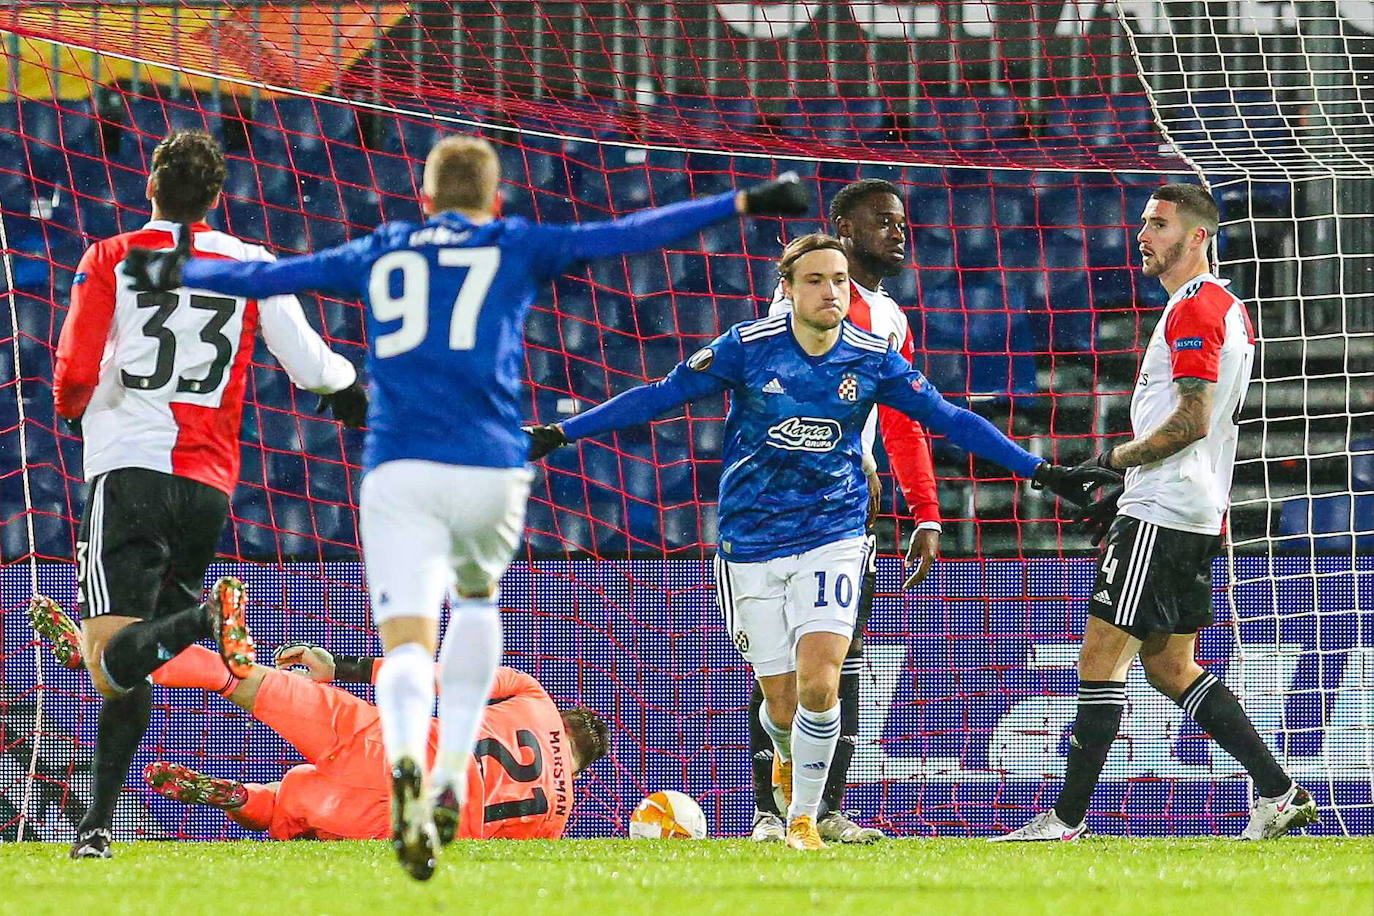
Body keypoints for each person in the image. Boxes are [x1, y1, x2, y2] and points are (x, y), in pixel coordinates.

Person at [120, 134, 810, 879]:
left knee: (410, 639)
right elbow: (626, 234)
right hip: (488, 463)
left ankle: (414, 764)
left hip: (400, 463)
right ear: (496, 200)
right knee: (476, 609)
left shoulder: (387, 247)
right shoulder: (514, 242)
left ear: (422, 199)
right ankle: (448, 776)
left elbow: (276, 273)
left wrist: (176, 267)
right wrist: (742, 200)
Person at [525, 233, 1115, 849]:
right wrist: (563, 432)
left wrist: (1042, 472)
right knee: (780, 704)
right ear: (786, 289)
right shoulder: (746, 349)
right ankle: (786, 762)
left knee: (820, 681)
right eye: (815, 280)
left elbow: (950, 419)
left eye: (839, 279)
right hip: (751, 539)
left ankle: (802, 818)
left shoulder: (872, 357)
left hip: (835, 532)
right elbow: (657, 397)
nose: (831, 290)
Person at [50, 130, 366, 860]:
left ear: (151, 186)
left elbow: (74, 364)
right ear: (218, 196)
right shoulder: (252, 263)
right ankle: (96, 828)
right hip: (207, 485)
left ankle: (202, 618)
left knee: (108, 661)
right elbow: (313, 365)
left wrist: (71, 410)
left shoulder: (113, 256)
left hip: (129, 470)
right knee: (141, 652)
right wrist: (353, 394)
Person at [992, 184, 1318, 842]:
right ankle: (1279, 792)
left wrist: (1116, 462)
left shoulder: (1197, 308)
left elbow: (1193, 420)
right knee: (1170, 666)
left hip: (1166, 507)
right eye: (1144, 222)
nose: (1143, 234)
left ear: (1197, 237)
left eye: (1160, 224)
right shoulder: (1213, 305)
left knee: (1099, 659)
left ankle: (1064, 820)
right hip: (1189, 505)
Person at [28, 597, 607, 842]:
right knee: (292, 805)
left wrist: (342, 667)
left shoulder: (534, 699)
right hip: (392, 816)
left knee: (239, 676)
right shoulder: (554, 821)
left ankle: (102, 657)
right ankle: (238, 798)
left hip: (381, 740)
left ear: (568, 717)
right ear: (581, 770)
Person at [751, 178, 941, 844]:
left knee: (843, 652)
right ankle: (770, 812)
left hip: (849, 508)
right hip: (781, 498)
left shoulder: (892, 320)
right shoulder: (800, 296)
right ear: (844, 227)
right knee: (785, 656)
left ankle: (823, 808)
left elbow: (905, 420)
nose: (900, 233)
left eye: (902, 222)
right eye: (885, 221)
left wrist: (925, 511)